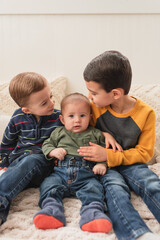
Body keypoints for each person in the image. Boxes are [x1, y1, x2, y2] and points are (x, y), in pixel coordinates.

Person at [78, 51, 160, 240]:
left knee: (151, 183)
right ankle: (137, 234)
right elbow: (76, 128)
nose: (89, 96)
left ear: (115, 93)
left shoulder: (146, 113)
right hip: (104, 167)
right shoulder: (93, 107)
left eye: (94, 92)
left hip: (132, 163)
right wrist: (103, 133)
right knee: (116, 192)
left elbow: (145, 152)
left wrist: (110, 155)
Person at [33, 92, 116, 233]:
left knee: (95, 190)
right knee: (48, 186)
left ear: (90, 117)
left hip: (86, 176)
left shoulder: (95, 133)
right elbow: (47, 144)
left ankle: (93, 214)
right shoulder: (58, 132)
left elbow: (106, 152)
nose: (77, 120)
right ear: (62, 119)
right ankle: (51, 210)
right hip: (60, 174)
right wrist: (53, 151)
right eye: (71, 116)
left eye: (82, 116)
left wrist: (102, 164)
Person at [0, 72, 62, 225]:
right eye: (44, 103)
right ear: (26, 110)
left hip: (43, 163)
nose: (52, 103)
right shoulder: (17, 118)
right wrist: (4, 163)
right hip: (19, 163)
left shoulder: (59, 117)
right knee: (15, 172)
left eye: (51, 96)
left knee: (33, 159)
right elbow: (7, 143)